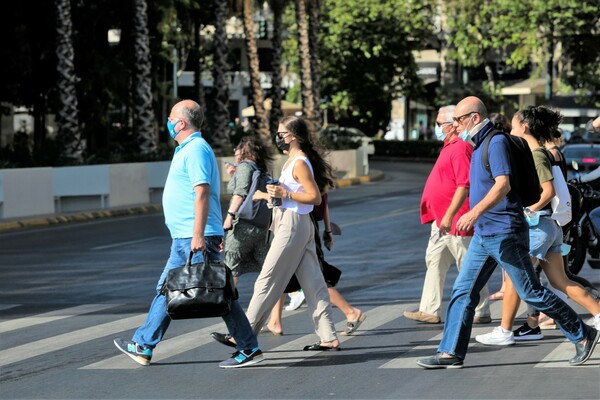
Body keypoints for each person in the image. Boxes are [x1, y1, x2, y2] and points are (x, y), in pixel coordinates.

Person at [416, 96, 599, 369]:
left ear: (475, 118)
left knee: (532, 292)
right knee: (463, 292)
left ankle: (582, 334)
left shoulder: (496, 142)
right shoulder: (477, 144)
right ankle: (449, 352)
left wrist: (473, 212)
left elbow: (503, 185)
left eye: (459, 120)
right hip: (484, 233)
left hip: (505, 232)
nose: (455, 126)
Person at [113, 100, 264, 369]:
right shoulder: (187, 148)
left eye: (171, 117)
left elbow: (202, 192)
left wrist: (197, 235)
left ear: (181, 122)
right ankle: (143, 345)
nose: (168, 122)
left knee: (215, 291)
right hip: (187, 235)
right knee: (172, 289)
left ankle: (248, 346)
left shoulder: (196, 149)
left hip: (195, 236)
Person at [212, 115, 341, 351]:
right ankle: (328, 336)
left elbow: (313, 197)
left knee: (267, 278)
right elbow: (289, 196)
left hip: (292, 225)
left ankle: (243, 334)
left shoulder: (300, 162)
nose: (278, 137)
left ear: (292, 136)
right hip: (294, 222)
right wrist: (271, 196)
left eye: (281, 133)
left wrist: (285, 194)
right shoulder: (292, 161)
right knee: (313, 283)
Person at [475, 105, 600, 345]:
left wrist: (528, 210)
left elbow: (548, 191)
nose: (510, 131)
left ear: (524, 126)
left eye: (513, 125)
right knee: (560, 281)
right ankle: (595, 314)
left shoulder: (537, 153)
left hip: (538, 226)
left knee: (514, 278)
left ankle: (505, 331)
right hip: (550, 227)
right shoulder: (542, 151)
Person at [404, 105, 491, 325]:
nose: (436, 128)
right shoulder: (449, 146)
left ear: (452, 124)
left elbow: (464, 185)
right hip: (442, 220)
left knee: (468, 264)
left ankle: (481, 310)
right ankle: (430, 309)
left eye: (438, 123)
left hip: (456, 219)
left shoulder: (461, 147)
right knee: (434, 261)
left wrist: (450, 215)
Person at [266, 191, 366, 336]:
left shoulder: (303, 170)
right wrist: (328, 230)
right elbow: (324, 202)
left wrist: (266, 195)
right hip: (300, 225)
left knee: (314, 276)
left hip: (301, 226)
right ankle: (275, 320)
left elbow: (319, 200)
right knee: (283, 272)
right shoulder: (312, 170)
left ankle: (350, 312)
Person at [223, 136, 274, 286]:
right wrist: (234, 174)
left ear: (244, 151)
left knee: (231, 266)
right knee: (267, 266)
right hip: (261, 226)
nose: (235, 152)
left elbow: (240, 193)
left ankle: (227, 303)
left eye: (237, 149)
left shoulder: (245, 167)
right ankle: (294, 292)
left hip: (244, 225)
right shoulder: (259, 168)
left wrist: (229, 216)